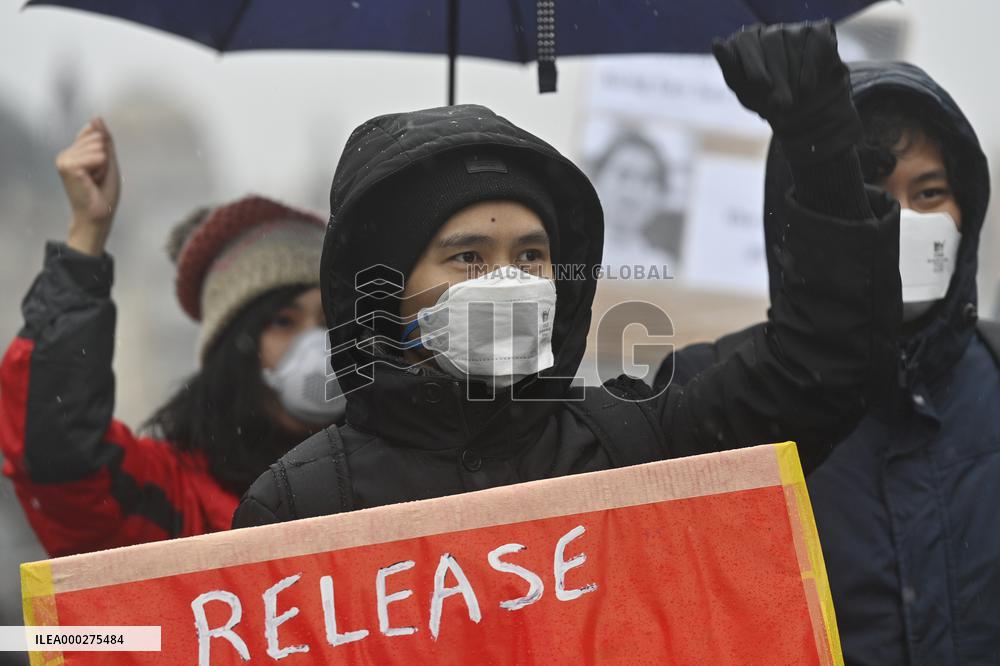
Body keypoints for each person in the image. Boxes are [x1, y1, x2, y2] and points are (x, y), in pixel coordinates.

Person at [232, 22, 901, 528]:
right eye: (468, 257)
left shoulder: (639, 440)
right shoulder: (300, 503)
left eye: (530, 256)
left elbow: (823, 365)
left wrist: (821, 155)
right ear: (385, 292)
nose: (507, 280)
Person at [653, 62, 1000, 664]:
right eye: (869, 194)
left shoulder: (993, 374)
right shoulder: (714, 395)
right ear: (803, 218)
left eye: (929, 194)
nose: (905, 221)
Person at [0, 118, 344, 557]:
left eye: (328, 322)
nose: (316, 344)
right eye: (284, 321)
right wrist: (87, 236)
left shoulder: (388, 470)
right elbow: (58, 450)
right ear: (235, 348)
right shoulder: (173, 499)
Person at [589, 131, 680, 269]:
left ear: (660, 196)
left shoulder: (663, 268)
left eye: (646, 180)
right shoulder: (568, 253)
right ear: (596, 180)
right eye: (623, 175)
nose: (632, 193)